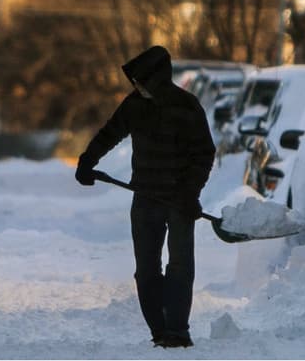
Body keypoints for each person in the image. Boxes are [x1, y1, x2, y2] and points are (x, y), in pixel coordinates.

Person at [74, 46, 215, 349]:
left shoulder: (186, 106)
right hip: (146, 197)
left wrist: (191, 192)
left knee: (179, 265)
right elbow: (110, 133)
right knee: (147, 267)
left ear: (157, 79)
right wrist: (87, 161)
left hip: (179, 201)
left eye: (141, 81)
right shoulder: (134, 106)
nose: (136, 86)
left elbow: (204, 153)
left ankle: (176, 330)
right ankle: (159, 329)